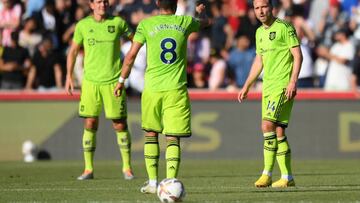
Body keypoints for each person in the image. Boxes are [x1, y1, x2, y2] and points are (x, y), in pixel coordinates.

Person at [114, 0, 209, 194]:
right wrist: (200, 13)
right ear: (175, 4)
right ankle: (171, 181)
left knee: (151, 134)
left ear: (157, 3)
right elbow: (204, 23)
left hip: (152, 89)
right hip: (176, 89)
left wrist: (121, 81)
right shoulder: (185, 22)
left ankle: (152, 182)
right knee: (172, 137)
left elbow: (131, 56)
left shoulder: (146, 24)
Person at [65, 0, 134, 181]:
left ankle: (127, 168)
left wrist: (129, 64)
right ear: (91, 5)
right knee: (90, 123)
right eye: (98, 1)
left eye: (105, 1)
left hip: (113, 82)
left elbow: (136, 42)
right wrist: (69, 76)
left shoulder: (118, 23)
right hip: (90, 83)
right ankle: (88, 169)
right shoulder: (83, 25)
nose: (102, 4)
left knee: (119, 124)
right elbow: (73, 51)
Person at [238, 0, 303, 188]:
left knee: (267, 125)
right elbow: (259, 61)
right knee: (278, 130)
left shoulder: (284, 27)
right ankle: (287, 176)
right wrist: (247, 85)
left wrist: (292, 81)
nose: (261, 11)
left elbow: (298, 55)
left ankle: (266, 174)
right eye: (257, 8)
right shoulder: (259, 32)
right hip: (268, 87)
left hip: (282, 86)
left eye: (264, 6)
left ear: (272, 7)